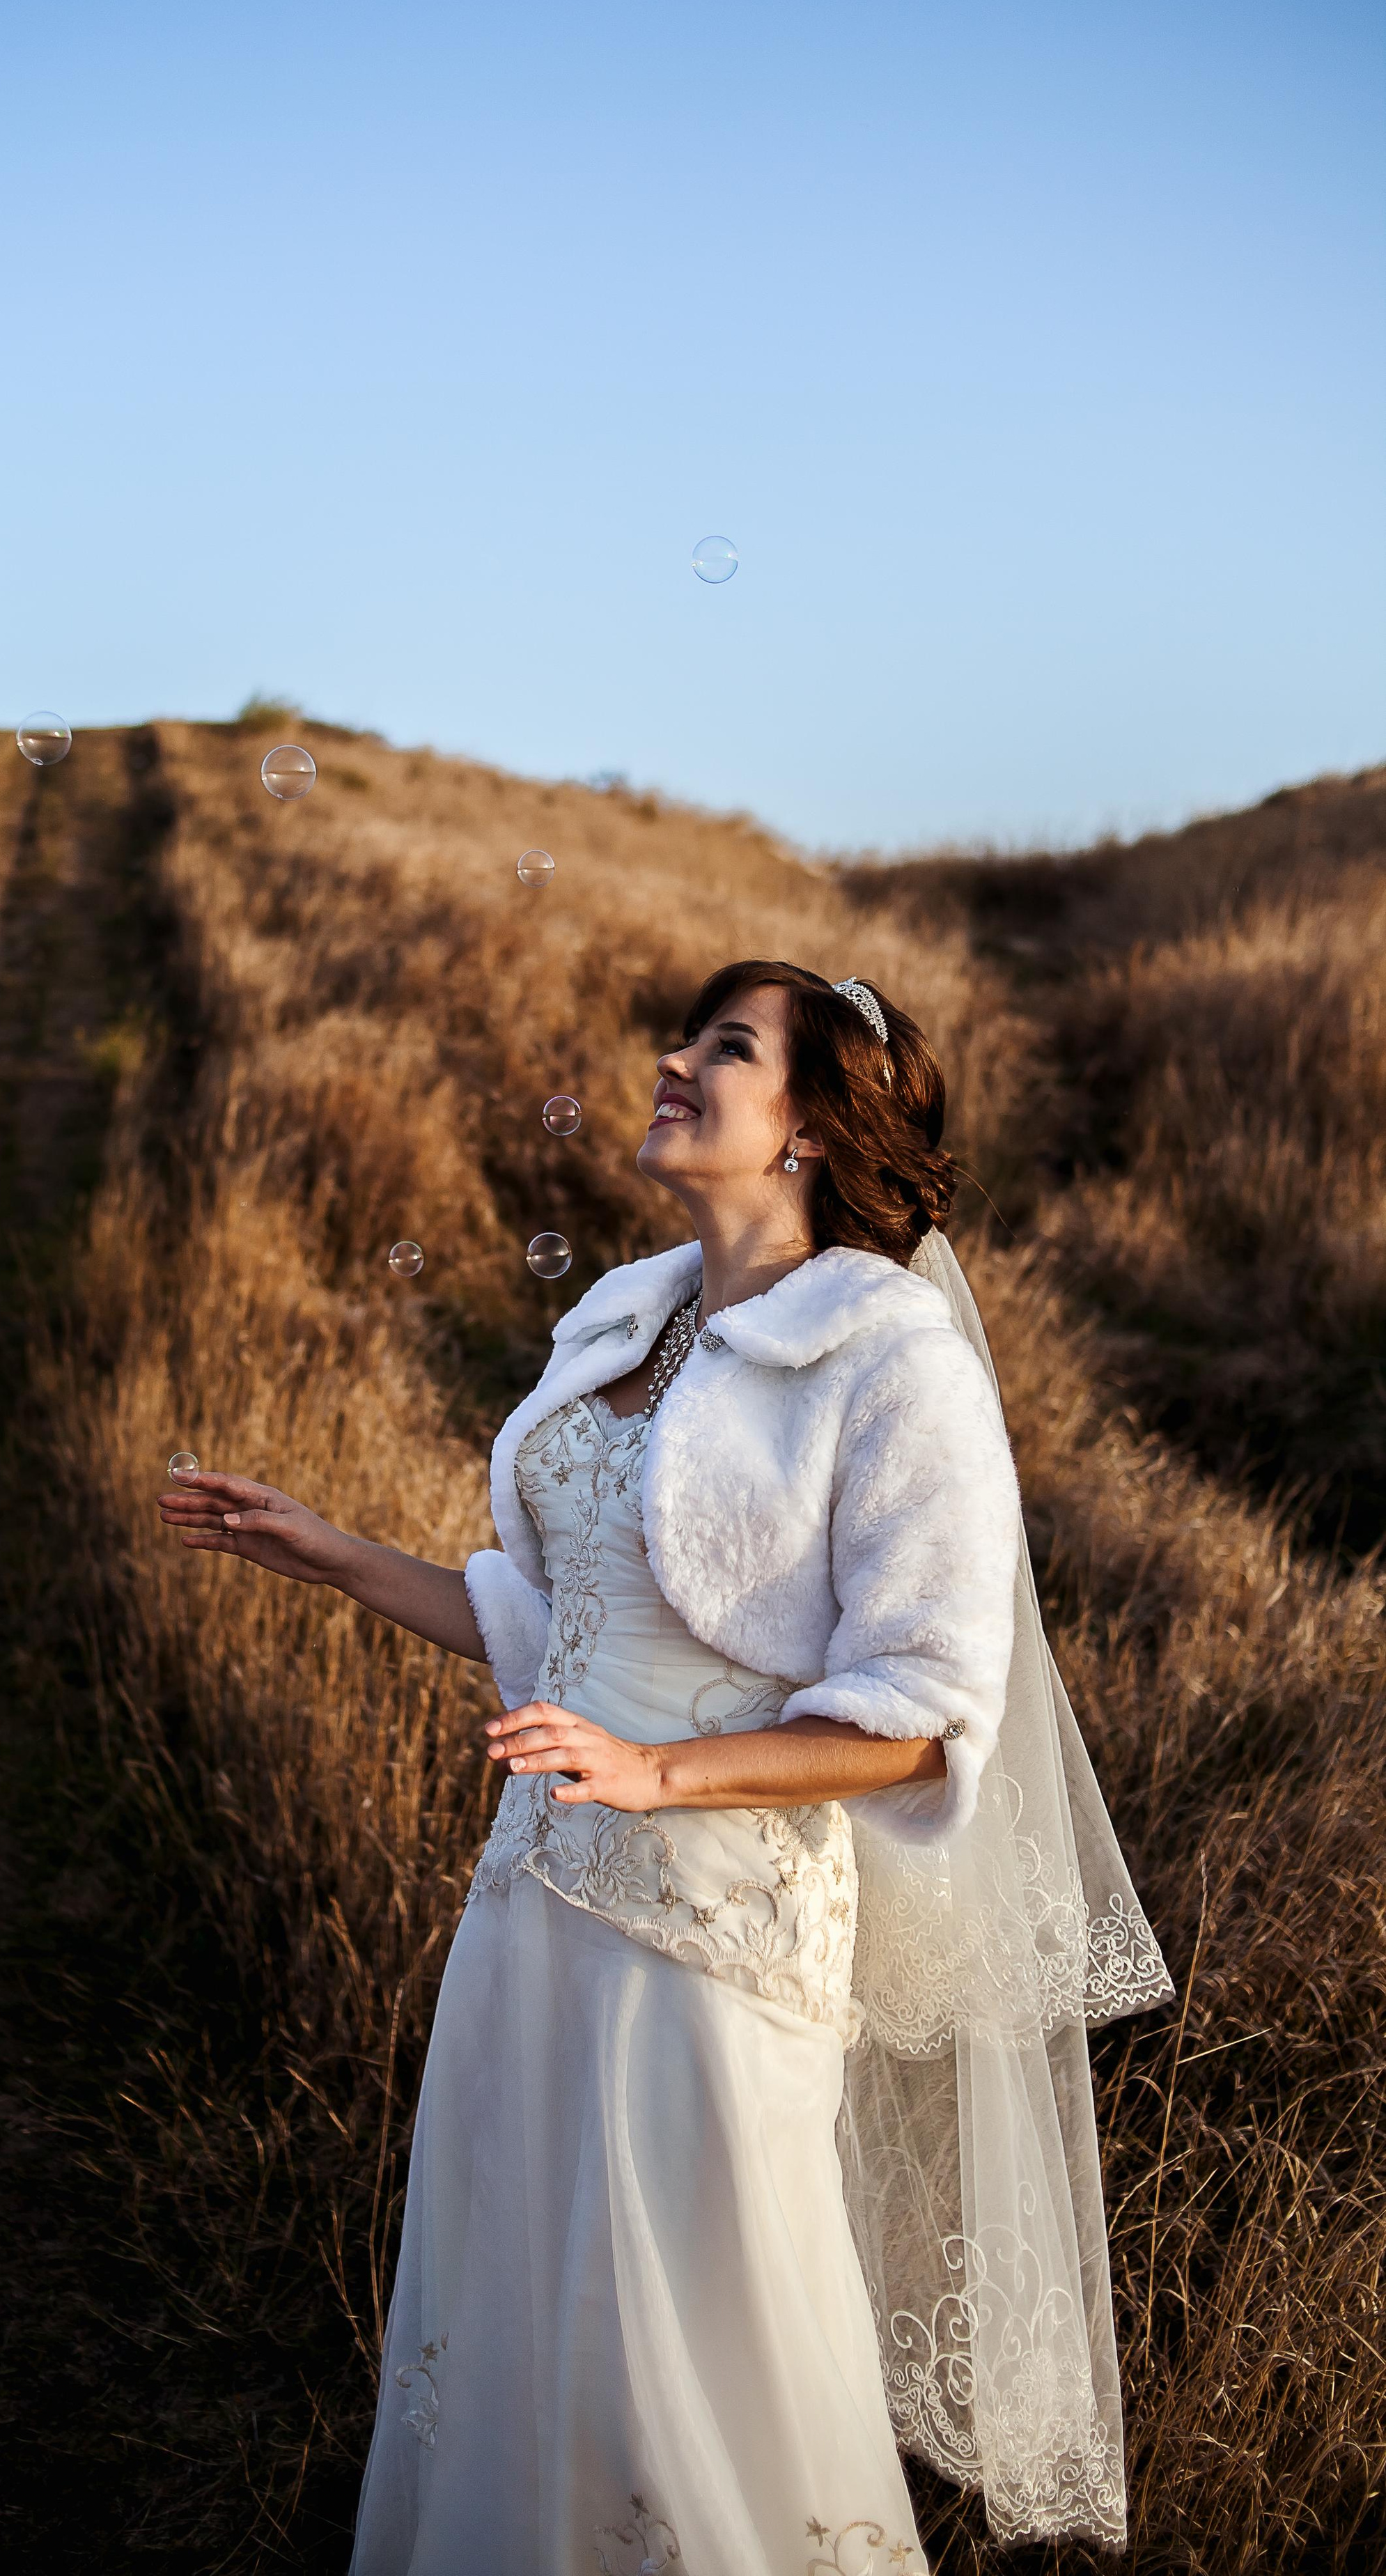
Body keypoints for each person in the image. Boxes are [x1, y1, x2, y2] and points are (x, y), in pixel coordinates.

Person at [158, 961, 1174, 2575]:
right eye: (686, 1035)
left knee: (696, 2390)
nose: (673, 1061)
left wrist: (658, 1775)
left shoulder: (889, 1358)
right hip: (531, 1907)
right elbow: (560, 1631)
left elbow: (918, 1717)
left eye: (727, 1047)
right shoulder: (630, 1317)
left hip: (710, 1945)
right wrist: (335, 1555)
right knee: (519, 2353)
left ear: (812, 1129)